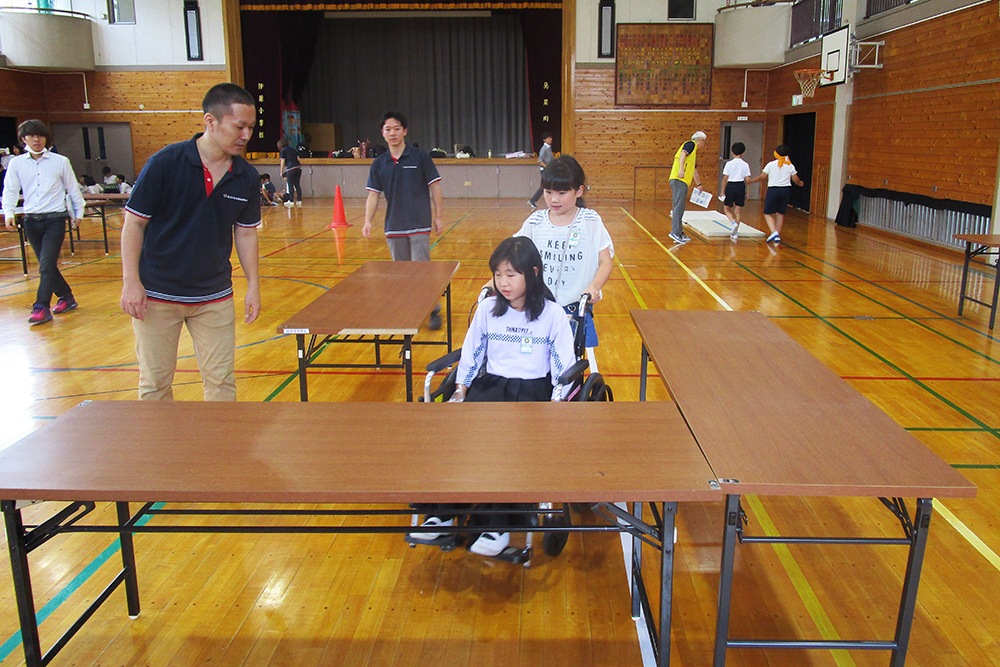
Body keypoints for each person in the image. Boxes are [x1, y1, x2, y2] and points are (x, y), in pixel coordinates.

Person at [410, 236, 576, 557]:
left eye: (511, 275)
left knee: (506, 445)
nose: (503, 283)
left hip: (532, 391)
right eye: (498, 275)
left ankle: (496, 524)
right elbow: (472, 352)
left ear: (533, 273)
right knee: (457, 437)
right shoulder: (488, 309)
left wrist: (557, 402)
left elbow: (563, 366)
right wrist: (460, 389)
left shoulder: (553, 315)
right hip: (492, 387)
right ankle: (442, 515)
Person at [119, 83, 261, 401]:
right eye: (239, 126)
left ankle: (220, 451)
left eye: (250, 127)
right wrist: (131, 282)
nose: (246, 135)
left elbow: (246, 232)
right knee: (155, 385)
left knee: (222, 384)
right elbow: (134, 224)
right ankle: (161, 451)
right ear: (211, 122)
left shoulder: (247, 177)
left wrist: (253, 284)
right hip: (157, 296)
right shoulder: (165, 164)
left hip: (214, 297)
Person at [512, 155, 613, 370]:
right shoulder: (535, 222)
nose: (554, 199)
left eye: (561, 193)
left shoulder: (590, 221)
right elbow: (512, 257)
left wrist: (594, 287)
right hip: (538, 306)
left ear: (579, 191)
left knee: (569, 364)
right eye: (548, 192)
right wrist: (492, 284)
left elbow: (605, 262)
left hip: (574, 308)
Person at [362, 111, 445, 330]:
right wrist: (367, 221)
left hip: (419, 224)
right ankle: (408, 311)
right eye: (388, 129)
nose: (392, 133)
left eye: (397, 128)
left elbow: (435, 187)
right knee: (400, 274)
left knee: (421, 271)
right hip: (394, 226)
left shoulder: (420, 157)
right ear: (382, 133)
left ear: (405, 131)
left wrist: (438, 216)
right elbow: (373, 194)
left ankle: (433, 310)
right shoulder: (379, 164)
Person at [2, 120, 85, 326]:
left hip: (55, 219)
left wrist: (78, 212)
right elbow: (10, 189)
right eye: (31, 136)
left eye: (39, 135)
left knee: (46, 265)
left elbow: (72, 188)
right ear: (23, 139)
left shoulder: (60, 161)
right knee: (46, 265)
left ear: (46, 138)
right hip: (31, 220)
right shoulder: (16, 164)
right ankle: (66, 297)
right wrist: (9, 212)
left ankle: (41, 307)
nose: (36, 139)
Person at [749, 144, 805, 244]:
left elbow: (762, 177)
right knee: (780, 213)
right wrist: (800, 183)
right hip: (786, 190)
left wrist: (752, 181)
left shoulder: (771, 164)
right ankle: (777, 235)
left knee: (767, 213)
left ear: (776, 153)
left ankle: (774, 232)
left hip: (773, 190)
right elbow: (795, 178)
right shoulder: (789, 165)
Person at [668, 130, 707, 245]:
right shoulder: (691, 144)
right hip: (679, 179)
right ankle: (675, 232)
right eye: (704, 143)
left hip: (683, 181)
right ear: (701, 140)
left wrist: (699, 184)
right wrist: (681, 169)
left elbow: (694, 170)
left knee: (680, 206)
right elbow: (682, 154)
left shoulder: (693, 152)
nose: (704, 145)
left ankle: (679, 232)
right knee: (679, 206)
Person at [720, 142, 752, 240]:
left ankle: (733, 223)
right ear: (743, 153)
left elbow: (725, 178)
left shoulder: (729, 164)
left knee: (726, 208)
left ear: (732, 152)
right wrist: (747, 192)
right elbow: (748, 180)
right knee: (737, 210)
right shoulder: (745, 164)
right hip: (740, 186)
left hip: (731, 186)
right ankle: (735, 232)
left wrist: (722, 191)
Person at [527, 132, 554, 209]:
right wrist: (547, 167)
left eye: (550, 138)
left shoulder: (549, 148)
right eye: (548, 138)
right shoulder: (544, 149)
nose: (550, 139)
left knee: (547, 185)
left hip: (548, 169)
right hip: (545, 170)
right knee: (544, 186)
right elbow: (540, 160)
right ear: (544, 140)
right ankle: (532, 200)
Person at [277, 138, 302, 208]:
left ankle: (291, 201)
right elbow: (298, 159)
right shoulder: (293, 149)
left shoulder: (283, 151)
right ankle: (299, 201)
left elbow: (283, 161)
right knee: (297, 184)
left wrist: (281, 171)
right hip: (298, 167)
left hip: (290, 168)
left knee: (290, 185)